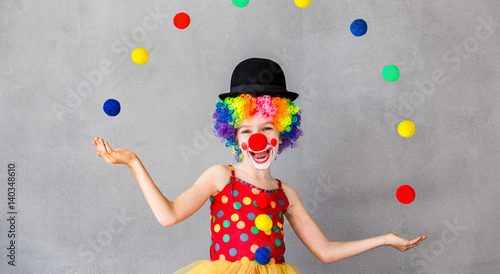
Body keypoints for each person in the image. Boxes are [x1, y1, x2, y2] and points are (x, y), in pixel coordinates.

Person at [93, 58, 426, 273]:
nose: (257, 139)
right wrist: (134, 162)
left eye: (266, 128)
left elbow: (324, 251)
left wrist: (384, 239)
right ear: (235, 137)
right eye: (246, 131)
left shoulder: (285, 194)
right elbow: (168, 216)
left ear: (281, 133)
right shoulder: (220, 177)